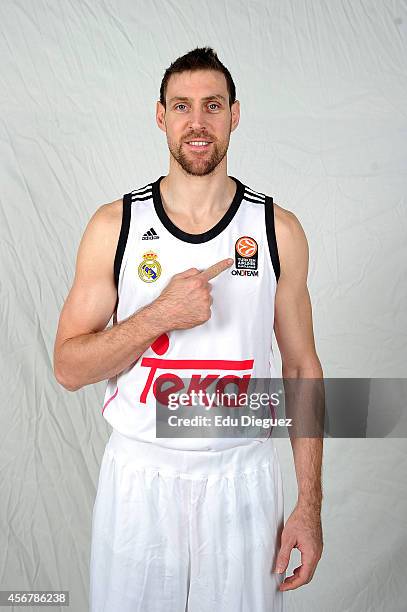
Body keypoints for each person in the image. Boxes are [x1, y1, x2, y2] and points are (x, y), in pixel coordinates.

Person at [53, 46, 324, 612]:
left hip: (243, 477)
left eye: (212, 106)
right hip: (142, 474)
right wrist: (159, 315)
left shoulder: (277, 231)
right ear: (160, 116)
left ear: (235, 114)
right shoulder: (115, 226)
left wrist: (308, 507)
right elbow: (69, 367)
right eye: (181, 107)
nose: (197, 123)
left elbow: (301, 370)